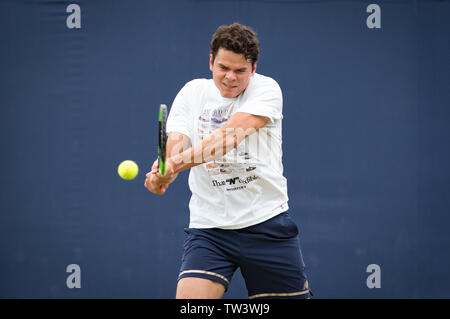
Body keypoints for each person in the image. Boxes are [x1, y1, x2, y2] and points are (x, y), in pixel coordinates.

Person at [144, 22, 310, 299]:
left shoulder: (267, 89)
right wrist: (165, 173)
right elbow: (176, 144)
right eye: (223, 68)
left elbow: (228, 138)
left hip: (266, 223)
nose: (230, 77)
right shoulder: (192, 92)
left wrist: (175, 163)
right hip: (209, 230)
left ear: (254, 68)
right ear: (210, 62)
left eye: (240, 71)